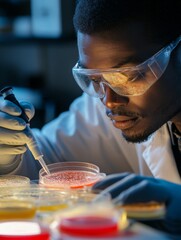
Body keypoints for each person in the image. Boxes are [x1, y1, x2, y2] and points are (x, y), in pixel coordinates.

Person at [0, 0, 180, 233]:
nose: (109, 101)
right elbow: (49, 160)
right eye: (95, 80)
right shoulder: (105, 110)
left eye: (128, 77)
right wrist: (9, 156)